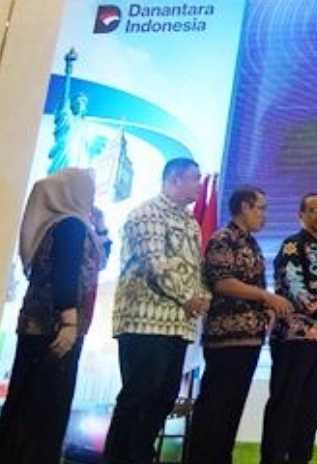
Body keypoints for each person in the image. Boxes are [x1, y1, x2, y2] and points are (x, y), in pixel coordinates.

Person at [104, 157, 209, 464]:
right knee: (138, 395)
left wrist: (202, 297)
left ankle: (139, 454)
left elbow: (196, 268)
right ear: (174, 179)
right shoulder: (147, 213)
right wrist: (187, 296)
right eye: (194, 178)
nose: (199, 185)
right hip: (144, 321)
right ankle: (118, 457)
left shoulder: (190, 222)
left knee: (164, 397)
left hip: (178, 324)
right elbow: (155, 264)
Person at [0, 169, 107, 463]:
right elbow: (66, 274)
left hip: (39, 326)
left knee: (25, 402)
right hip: (57, 329)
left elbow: (96, 262)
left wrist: (100, 227)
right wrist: (69, 321)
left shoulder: (55, 224)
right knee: (45, 409)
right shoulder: (71, 225)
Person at [187, 186, 293, 464]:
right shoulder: (224, 238)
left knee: (232, 411)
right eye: (261, 208)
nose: (264, 215)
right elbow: (223, 282)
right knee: (215, 408)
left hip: (250, 338)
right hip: (226, 338)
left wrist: (267, 312)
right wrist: (266, 297)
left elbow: (257, 284)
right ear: (244, 207)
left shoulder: (251, 243)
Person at [261, 193, 317, 464]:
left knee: (313, 405)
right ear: (301, 214)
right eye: (312, 210)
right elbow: (292, 286)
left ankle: (301, 458)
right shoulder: (292, 246)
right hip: (295, 338)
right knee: (286, 403)